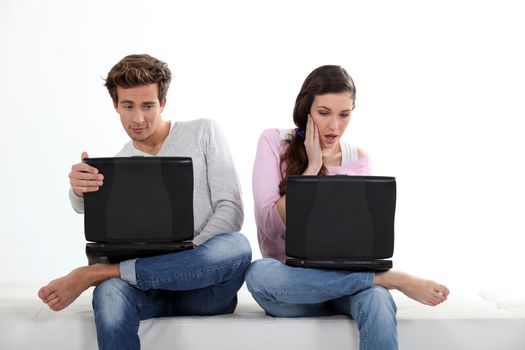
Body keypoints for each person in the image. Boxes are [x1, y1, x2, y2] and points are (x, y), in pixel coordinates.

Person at [38, 54, 252, 350]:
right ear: (115, 105)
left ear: (162, 103)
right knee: (109, 294)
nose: (138, 118)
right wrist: (78, 188)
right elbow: (83, 207)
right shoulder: (118, 164)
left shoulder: (204, 132)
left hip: (205, 290)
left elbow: (231, 210)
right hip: (148, 289)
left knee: (237, 246)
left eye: (148, 106)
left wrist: (186, 258)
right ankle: (109, 275)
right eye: (128, 106)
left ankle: (97, 274)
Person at [245, 65, 449, 349]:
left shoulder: (359, 158)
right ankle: (390, 279)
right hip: (293, 287)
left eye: (344, 114)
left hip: (345, 282)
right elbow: (269, 226)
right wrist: (313, 167)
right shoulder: (273, 142)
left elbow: (361, 239)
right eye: (324, 113)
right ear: (306, 109)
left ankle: (377, 281)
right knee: (259, 274)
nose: (334, 127)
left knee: (378, 299)